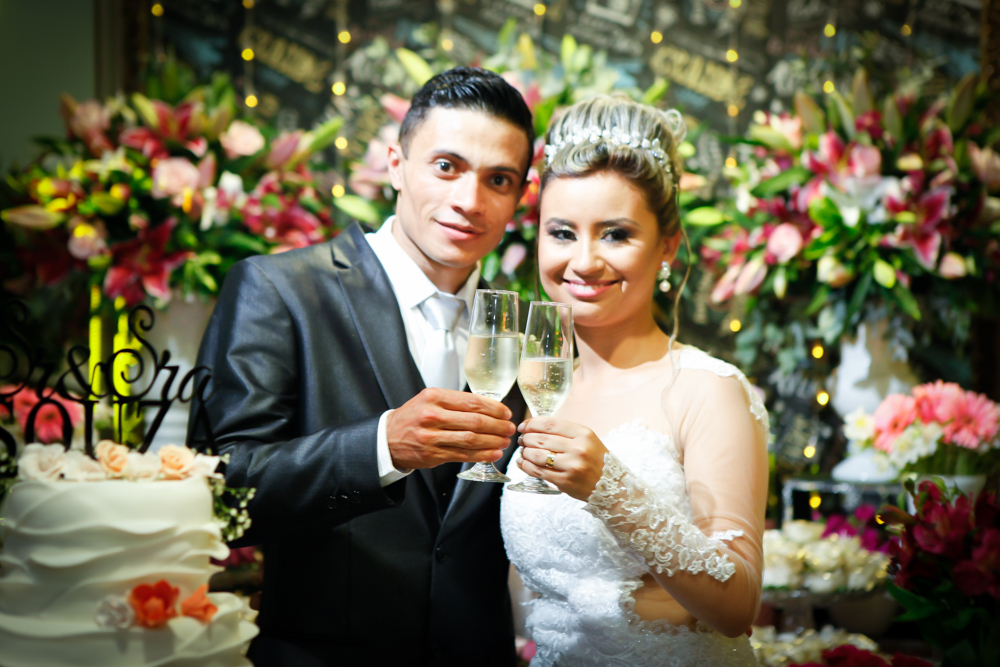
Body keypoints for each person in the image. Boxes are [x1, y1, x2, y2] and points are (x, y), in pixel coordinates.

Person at [191, 67, 534, 666]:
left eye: (498, 180)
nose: (469, 201)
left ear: (518, 198)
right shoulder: (279, 289)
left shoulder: (527, 332)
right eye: (446, 166)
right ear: (396, 165)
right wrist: (382, 447)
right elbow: (218, 490)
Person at [500, 96, 769, 666]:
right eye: (562, 232)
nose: (584, 261)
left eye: (616, 234)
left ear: (666, 245)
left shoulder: (708, 389)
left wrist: (610, 488)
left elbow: (738, 604)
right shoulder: (538, 390)